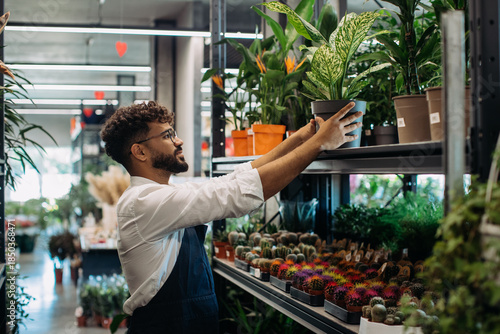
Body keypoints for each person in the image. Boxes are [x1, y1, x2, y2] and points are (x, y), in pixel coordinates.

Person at [100, 100, 362, 333]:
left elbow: (236, 179)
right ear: (140, 152)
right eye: (168, 135)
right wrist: (319, 144)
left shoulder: (162, 196)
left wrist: (302, 138)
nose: (178, 141)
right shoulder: (144, 202)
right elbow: (238, 193)